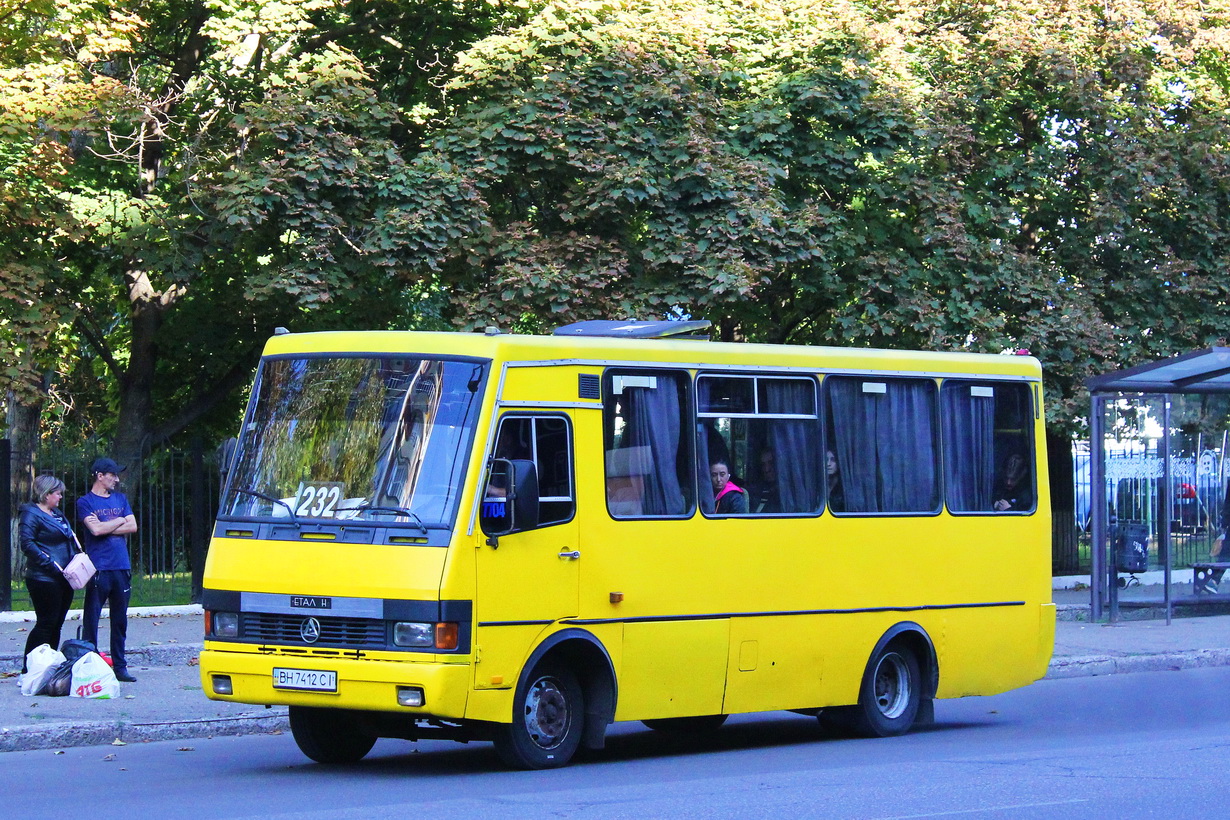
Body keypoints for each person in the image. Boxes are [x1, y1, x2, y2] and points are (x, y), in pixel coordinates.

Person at [77, 457, 139, 682]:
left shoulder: (120, 499)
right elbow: (95, 530)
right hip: (98, 567)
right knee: (92, 618)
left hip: (121, 566)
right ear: (99, 476)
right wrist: (119, 521)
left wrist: (107, 526)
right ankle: (89, 663)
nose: (117, 479)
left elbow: (133, 526)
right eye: (112, 475)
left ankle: (120, 666)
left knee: (120, 619)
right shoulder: (85, 502)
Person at [17, 475, 77, 673]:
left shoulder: (56, 513)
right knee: (46, 623)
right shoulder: (30, 514)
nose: (60, 497)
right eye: (57, 493)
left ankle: (47, 665)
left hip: (65, 577)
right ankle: (30, 668)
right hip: (43, 578)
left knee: (57, 623)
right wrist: (50, 564)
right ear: (46, 494)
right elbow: (27, 543)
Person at [752, 449, 780, 513]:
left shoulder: (789, 494)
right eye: (763, 465)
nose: (767, 469)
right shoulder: (756, 492)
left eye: (771, 463)